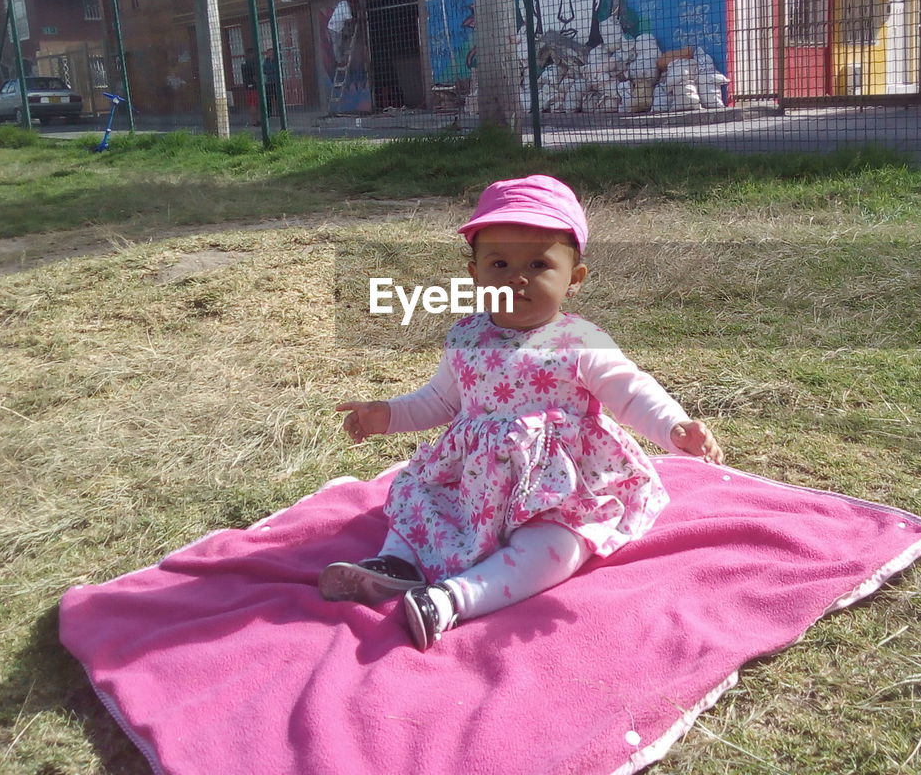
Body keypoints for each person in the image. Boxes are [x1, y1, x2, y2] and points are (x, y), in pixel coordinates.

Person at [324, 174, 722, 651]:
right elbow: (440, 401)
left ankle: (455, 599)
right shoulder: (466, 338)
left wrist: (675, 427)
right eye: (499, 263)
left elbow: (632, 394)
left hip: (556, 485)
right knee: (417, 499)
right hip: (474, 479)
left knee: (560, 542)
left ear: (574, 278)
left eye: (538, 263)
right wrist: (385, 414)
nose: (517, 277)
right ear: (474, 274)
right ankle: (394, 565)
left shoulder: (581, 342)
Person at [241, 49, 259, 126]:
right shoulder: (252, 63)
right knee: (254, 103)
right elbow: (255, 76)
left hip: (247, 86)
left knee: (251, 103)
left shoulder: (243, 64)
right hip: (253, 85)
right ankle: (254, 121)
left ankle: (253, 120)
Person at [262, 49, 279, 119]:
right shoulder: (266, 61)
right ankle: (269, 113)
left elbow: (277, 69)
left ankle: (279, 112)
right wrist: (271, 71)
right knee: (268, 98)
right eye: (269, 53)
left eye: (271, 52)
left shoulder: (276, 60)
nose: (270, 54)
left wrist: (271, 71)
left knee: (277, 97)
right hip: (268, 82)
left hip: (276, 81)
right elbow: (264, 70)